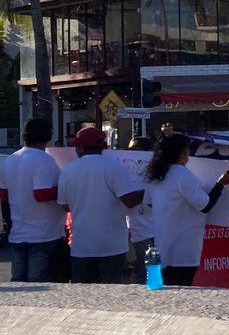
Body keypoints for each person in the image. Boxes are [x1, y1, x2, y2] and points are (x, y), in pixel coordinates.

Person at [146, 132, 229, 286]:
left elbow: (149, 203)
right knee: (182, 290)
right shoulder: (182, 175)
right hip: (184, 247)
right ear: (183, 152)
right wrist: (221, 183)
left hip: (163, 244)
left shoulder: (156, 175)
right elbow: (205, 205)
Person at [57, 127, 144, 283]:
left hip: (81, 246)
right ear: (102, 147)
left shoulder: (68, 171)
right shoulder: (114, 167)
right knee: (111, 297)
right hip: (112, 246)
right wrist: (147, 190)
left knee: (83, 297)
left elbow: (65, 207)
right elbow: (129, 201)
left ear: (80, 148)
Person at [1, 117, 65, 282]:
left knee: (19, 284)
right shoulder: (44, 160)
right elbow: (41, 194)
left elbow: (4, 195)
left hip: (18, 232)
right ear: (47, 137)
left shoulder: (10, 159)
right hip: (43, 233)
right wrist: (65, 191)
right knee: (38, 284)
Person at [125, 135, 157, 276]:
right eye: (130, 150)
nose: (132, 154)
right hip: (133, 234)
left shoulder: (157, 175)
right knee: (138, 276)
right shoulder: (126, 173)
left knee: (151, 277)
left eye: (136, 150)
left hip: (150, 235)